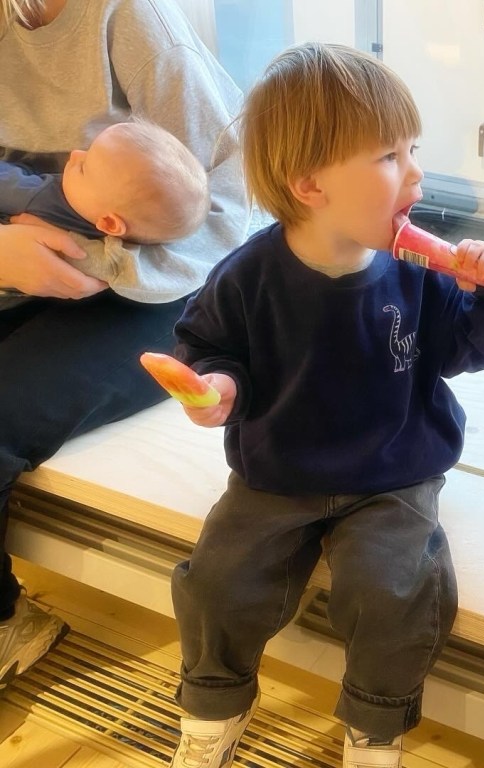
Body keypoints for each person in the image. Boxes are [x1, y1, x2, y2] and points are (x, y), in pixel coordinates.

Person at [166, 42, 484, 768]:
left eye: (413, 149)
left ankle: (375, 725)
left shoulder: (416, 269)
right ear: (309, 184)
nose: (415, 173)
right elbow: (207, 348)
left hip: (395, 472)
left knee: (396, 587)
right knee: (217, 581)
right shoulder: (247, 277)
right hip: (279, 470)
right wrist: (218, 389)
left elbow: (465, 350)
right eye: (390, 156)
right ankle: (213, 703)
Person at [0, 0, 247, 695]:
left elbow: (228, 215)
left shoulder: (139, 27)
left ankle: (5, 624)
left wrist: (94, 261)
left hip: (165, 284)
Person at [0, 120, 210, 305]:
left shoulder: (37, 198)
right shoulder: (114, 241)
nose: (75, 154)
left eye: (83, 168)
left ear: (110, 223)